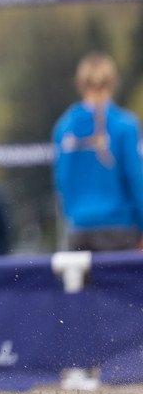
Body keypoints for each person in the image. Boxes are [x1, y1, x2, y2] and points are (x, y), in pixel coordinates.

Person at [52, 52, 143, 252]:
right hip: (120, 228)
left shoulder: (64, 127)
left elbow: (61, 181)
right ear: (114, 82)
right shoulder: (125, 126)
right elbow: (136, 179)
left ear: (79, 83)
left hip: (79, 228)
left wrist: (75, 215)